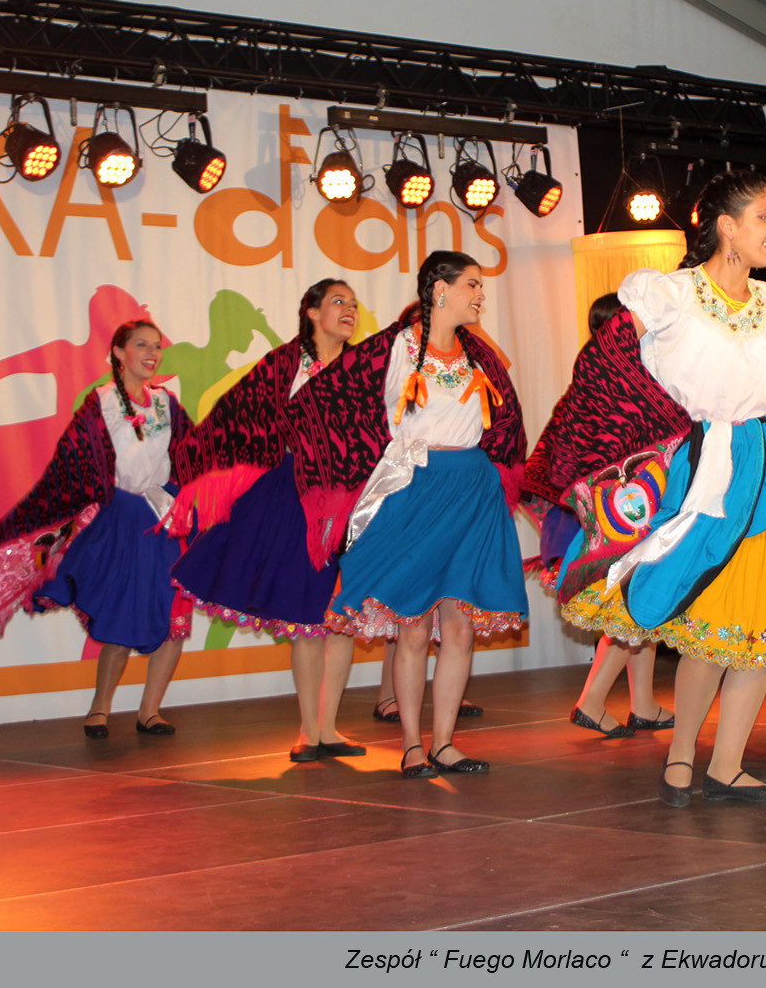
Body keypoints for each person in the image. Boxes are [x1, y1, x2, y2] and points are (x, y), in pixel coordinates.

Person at [525, 170, 766, 806]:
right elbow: (606, 368)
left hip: (764, 469)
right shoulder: (671, 295)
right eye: (765, 217)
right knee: (709, 627)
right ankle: (682, 757)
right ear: (726, 227)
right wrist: (644, 439)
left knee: (762, 629)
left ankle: (728, 764)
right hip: (697, 473)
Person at [292, 251, 529, 779]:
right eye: (472, 285)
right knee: (415, 626)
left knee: (460, 628)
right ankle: (412, 745)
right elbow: (335, 405)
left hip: (472, 491)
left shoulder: (479, 355)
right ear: (440, 289)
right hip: (417, 488)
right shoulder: (396, 348)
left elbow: (508, 422)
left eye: (481, 286)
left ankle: (445, 742)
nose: (480, 295)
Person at [169, 280, 367, 762]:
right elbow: (234, 418)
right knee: (307, 615)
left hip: (353, 501)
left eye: (353, 304)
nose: (349, 310)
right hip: (297, 499)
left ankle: (329, 728)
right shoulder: (285, 364)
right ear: (312, 312)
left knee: (342, 617)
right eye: (338, 302)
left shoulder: (364, 367)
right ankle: (308, 730)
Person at [0, 319, 194, 737]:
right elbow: (71, 462)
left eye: (156, 346)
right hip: (121, 520)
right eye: (142, 345)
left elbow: (195, 452)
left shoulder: (166, 403)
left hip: (164, 519)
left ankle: (150, 711)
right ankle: (100, 708)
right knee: (120, 615)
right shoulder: (101, 402)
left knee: (174, 618)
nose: (152, 353)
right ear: (119, 352)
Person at [561, 294, 673, 738]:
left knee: (641, 601)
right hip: (628, 503)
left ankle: (642, 704)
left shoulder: (605, 369)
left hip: (631, 500)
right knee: (634, 602)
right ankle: (592, 700)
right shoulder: (619, 374)